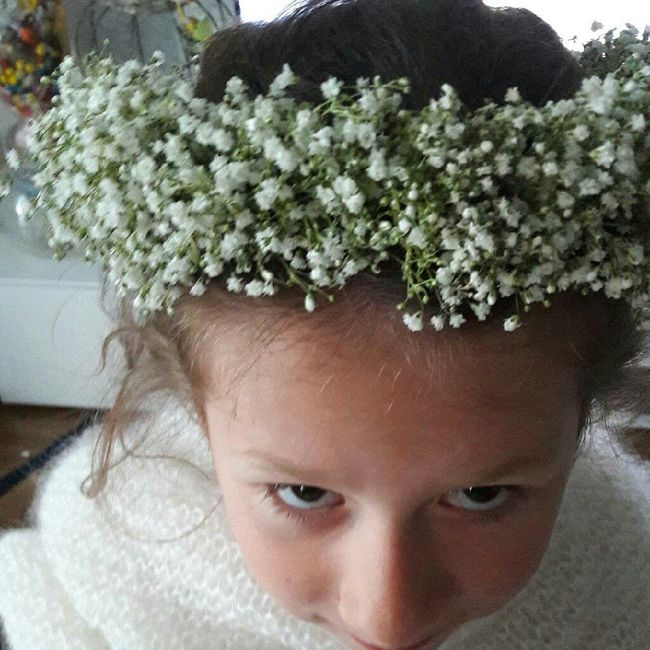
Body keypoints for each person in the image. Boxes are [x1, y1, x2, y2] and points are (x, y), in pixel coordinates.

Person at [1, 0, 649, 648]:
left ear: (586, 417)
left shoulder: (624, 577)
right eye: (305, 493)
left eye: (481, 494)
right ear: (197, 409)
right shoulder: (93, 588)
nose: (387, 617)